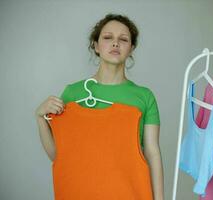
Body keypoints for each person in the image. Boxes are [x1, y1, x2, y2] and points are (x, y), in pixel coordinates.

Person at [35, 13, 164, 200]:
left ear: (131, 48)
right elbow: (59, 155)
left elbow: (152, 153)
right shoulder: (72, 94)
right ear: (95, 45)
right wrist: (40, 118)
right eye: (107, 37)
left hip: (129, 194)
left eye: (123, 39)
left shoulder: (144, 97)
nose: (115, 43)